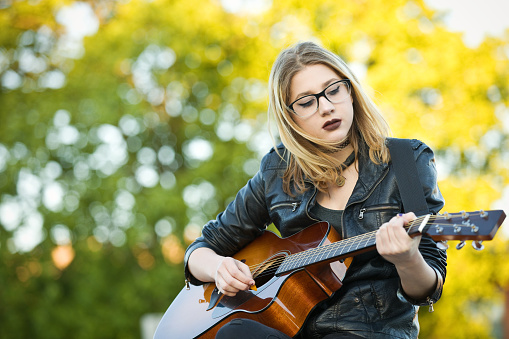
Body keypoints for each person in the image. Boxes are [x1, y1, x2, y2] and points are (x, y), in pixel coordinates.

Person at [184, 41, 447, 339]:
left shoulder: (406, 160)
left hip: (372, 333)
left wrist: (407, 258)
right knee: (234, 333)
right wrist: (219, 267)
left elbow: (429, 289)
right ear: (290, 117)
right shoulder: (277, 170)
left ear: (350, 91)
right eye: (307, 102)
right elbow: (201, 250)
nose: (326, 107)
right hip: (290, 330)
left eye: (333, 90)